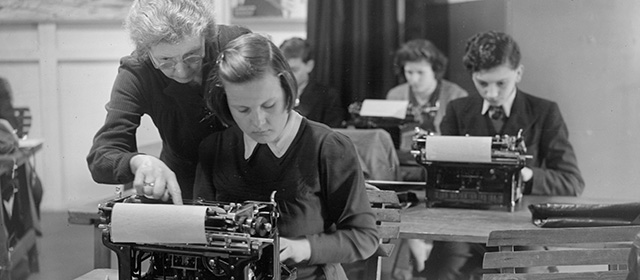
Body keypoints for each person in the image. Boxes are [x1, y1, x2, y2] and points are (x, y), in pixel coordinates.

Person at [194, 33, 378, 280]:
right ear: (225, 103)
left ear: (287, 89)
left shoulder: (329, 147)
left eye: (269, 105)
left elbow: (365, 237)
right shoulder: (213, 149)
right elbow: (199, 233)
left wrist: (304, 248)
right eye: (243, 109)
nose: (258, 122)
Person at [423, 31, 585, 280]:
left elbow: (572, 182)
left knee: (527, 271)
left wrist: (527, 174)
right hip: (465, 228)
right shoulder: (457, 111)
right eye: (482, 83)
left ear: (518, 73)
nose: (491, 93)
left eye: (501, 83)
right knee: (442, 269)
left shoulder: (545, 112)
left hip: (522, 228)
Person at [86, 0, 250, 202]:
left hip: (250, 174)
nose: (181, 71)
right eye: (165, 61)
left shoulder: (234, 43)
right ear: (147, 52)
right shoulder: (137, 71)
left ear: (205, 37)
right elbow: (102, 155)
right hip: (184, 184)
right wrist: (138, 162)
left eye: (192, 56)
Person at [386, 38, 468, 135]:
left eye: (420, 72)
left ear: (435, 70)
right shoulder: (395, 95)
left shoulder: (456, 95)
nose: (414, 79)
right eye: (409, 72)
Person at [279, 37, 346, 128]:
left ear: (309, 66)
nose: (288, 75)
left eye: (294, 70)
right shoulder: (274, 93)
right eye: (284, 70)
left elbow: (332, 134)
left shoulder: (328, 96)